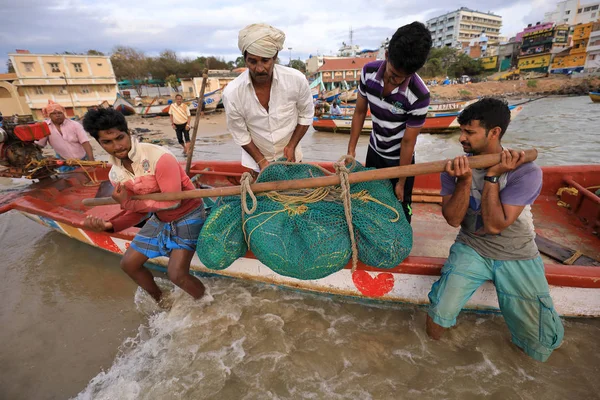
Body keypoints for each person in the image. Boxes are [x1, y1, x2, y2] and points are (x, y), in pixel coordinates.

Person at [426, 98, 564, 362]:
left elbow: (495, 224)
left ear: (495, 132)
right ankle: (431, 360)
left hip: (517, 253)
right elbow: (454, 220)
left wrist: (491, 176)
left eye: (469, 132)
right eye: (461, 130)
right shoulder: (455, 169)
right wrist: (465, 180)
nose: (461, 138)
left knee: (540, 340)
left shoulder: (526, 171)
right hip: (472, 247)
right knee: (439, 309)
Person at [82, 108, 206, 304]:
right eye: (107, 142)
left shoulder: (159, 157)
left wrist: (129, 203)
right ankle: (162, 301)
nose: (116, 146)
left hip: (188, 214)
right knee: (128, 264)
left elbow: (173, 201)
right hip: (160, 218)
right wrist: (109, 226)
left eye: (120, 137)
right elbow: (134, 212)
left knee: (176, 274)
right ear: (99, 143)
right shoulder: (116, 175)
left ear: (128, 133)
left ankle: (207, 303)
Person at [347, 21, 432, 223]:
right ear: (386, 56)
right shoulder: (368, 72)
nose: (395, 81)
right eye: (393, 74)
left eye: (403, 78)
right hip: (375, 152)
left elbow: (408, 142)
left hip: (400, 160)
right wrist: (350, 151)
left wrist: (401, 180)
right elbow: (359, 112)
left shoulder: (419, 95)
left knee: (400, 209)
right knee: (372, 204)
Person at [222, 23, 314, 171]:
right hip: (255, 165)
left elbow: (306, 114)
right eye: (252, 61)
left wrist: (291, 146)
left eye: (265, 60)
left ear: (275, 57)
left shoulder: (296, 80)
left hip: (292, 160)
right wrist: (261, 161)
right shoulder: (232, 93)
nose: (259, 68)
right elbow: (240, 133)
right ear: (244, 59)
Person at [35, 100, 94, 171]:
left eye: (60, 113)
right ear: (49, 115)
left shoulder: (75, 125)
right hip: (65, 163)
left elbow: (85, 143)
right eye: (54, 113)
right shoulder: (45, 127)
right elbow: (39, 145)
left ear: (63, 113)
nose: (57, 115)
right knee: (68, 180)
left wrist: (91, 161)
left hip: (83, 160)